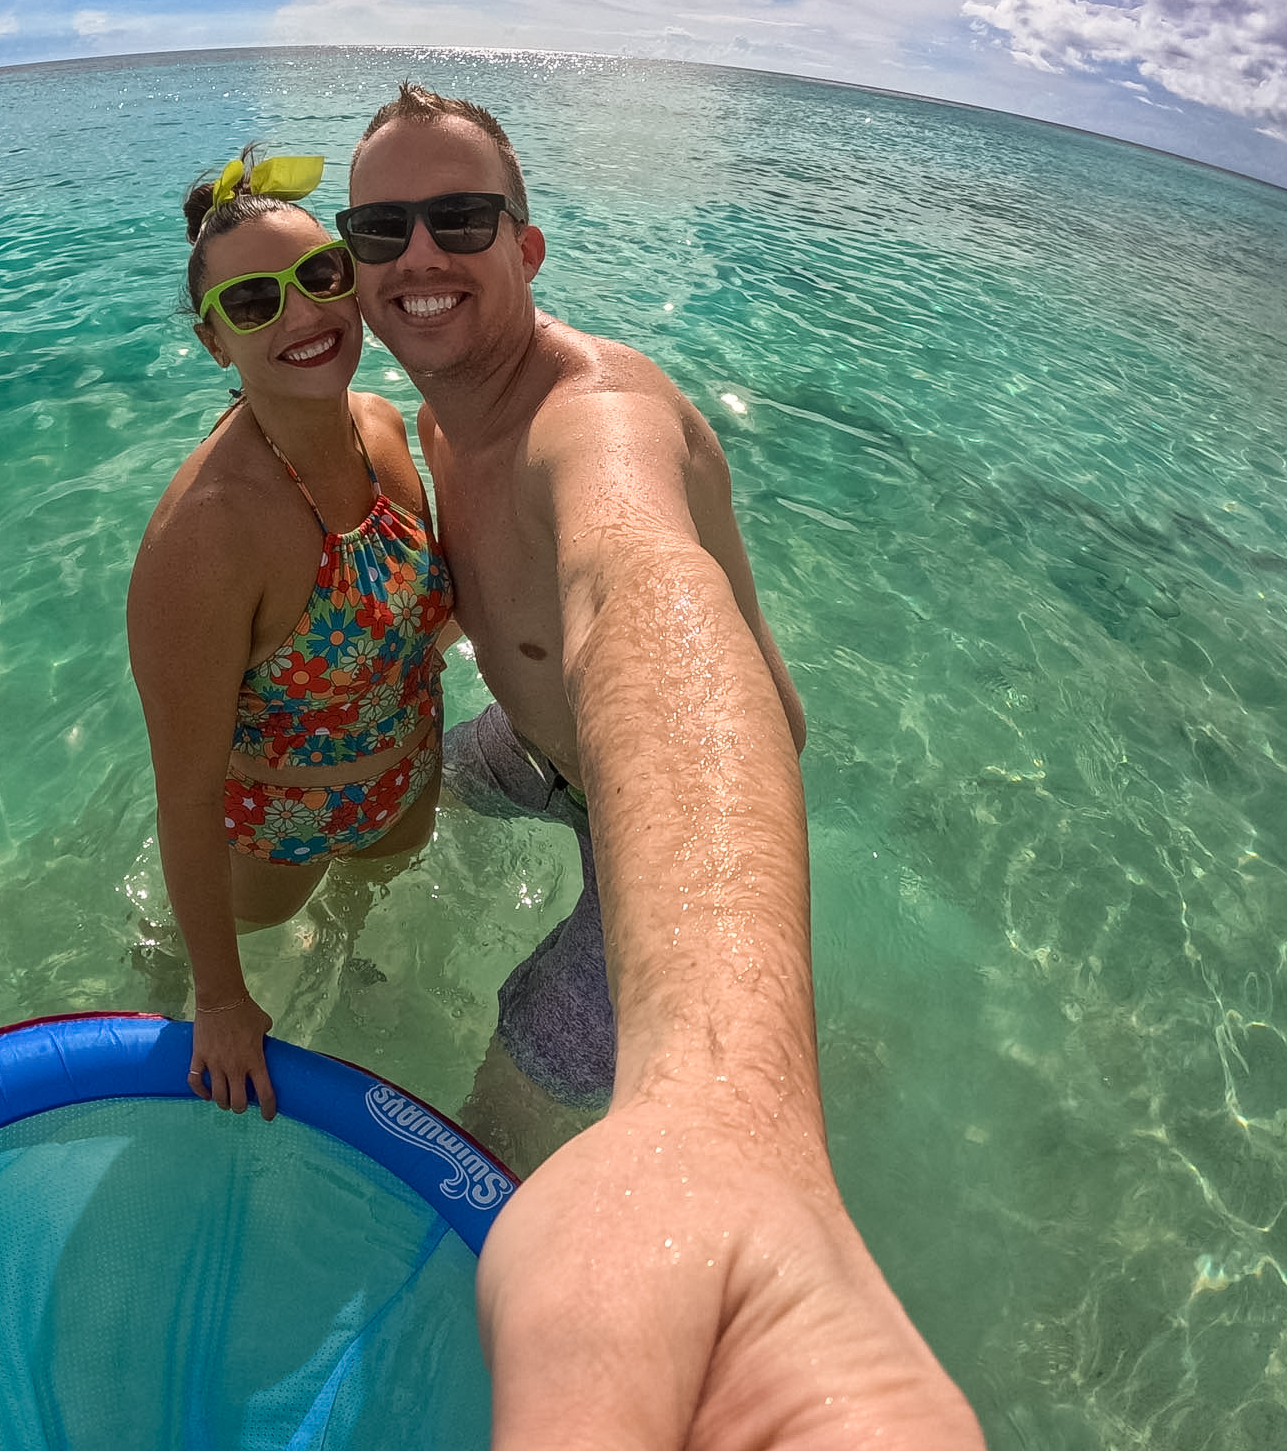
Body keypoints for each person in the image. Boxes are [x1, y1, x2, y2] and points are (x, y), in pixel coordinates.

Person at [339, 87, 982, 1447]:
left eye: (459, 218)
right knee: (399, 787)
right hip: (543, 754)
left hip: (677, 817)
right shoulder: (442, 409)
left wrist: (730, 1114)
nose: (418, 257)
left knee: (512, 1077)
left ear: (527, 247)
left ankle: (438, 1321)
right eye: (380, 228)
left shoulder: (594, 414)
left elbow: (637, 593)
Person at [127, 148, 453, 1125]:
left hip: (405, 786)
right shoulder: (205, 536)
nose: (303, 314)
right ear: (214, 342)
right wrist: (221, 1002)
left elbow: (422, 618)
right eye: (253, 301)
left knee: (361, 911)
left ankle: (347, 954)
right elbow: (185, 796)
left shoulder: (383, 427)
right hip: (277, 837)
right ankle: (157, 968)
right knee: (210, 949)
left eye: (320, 275)